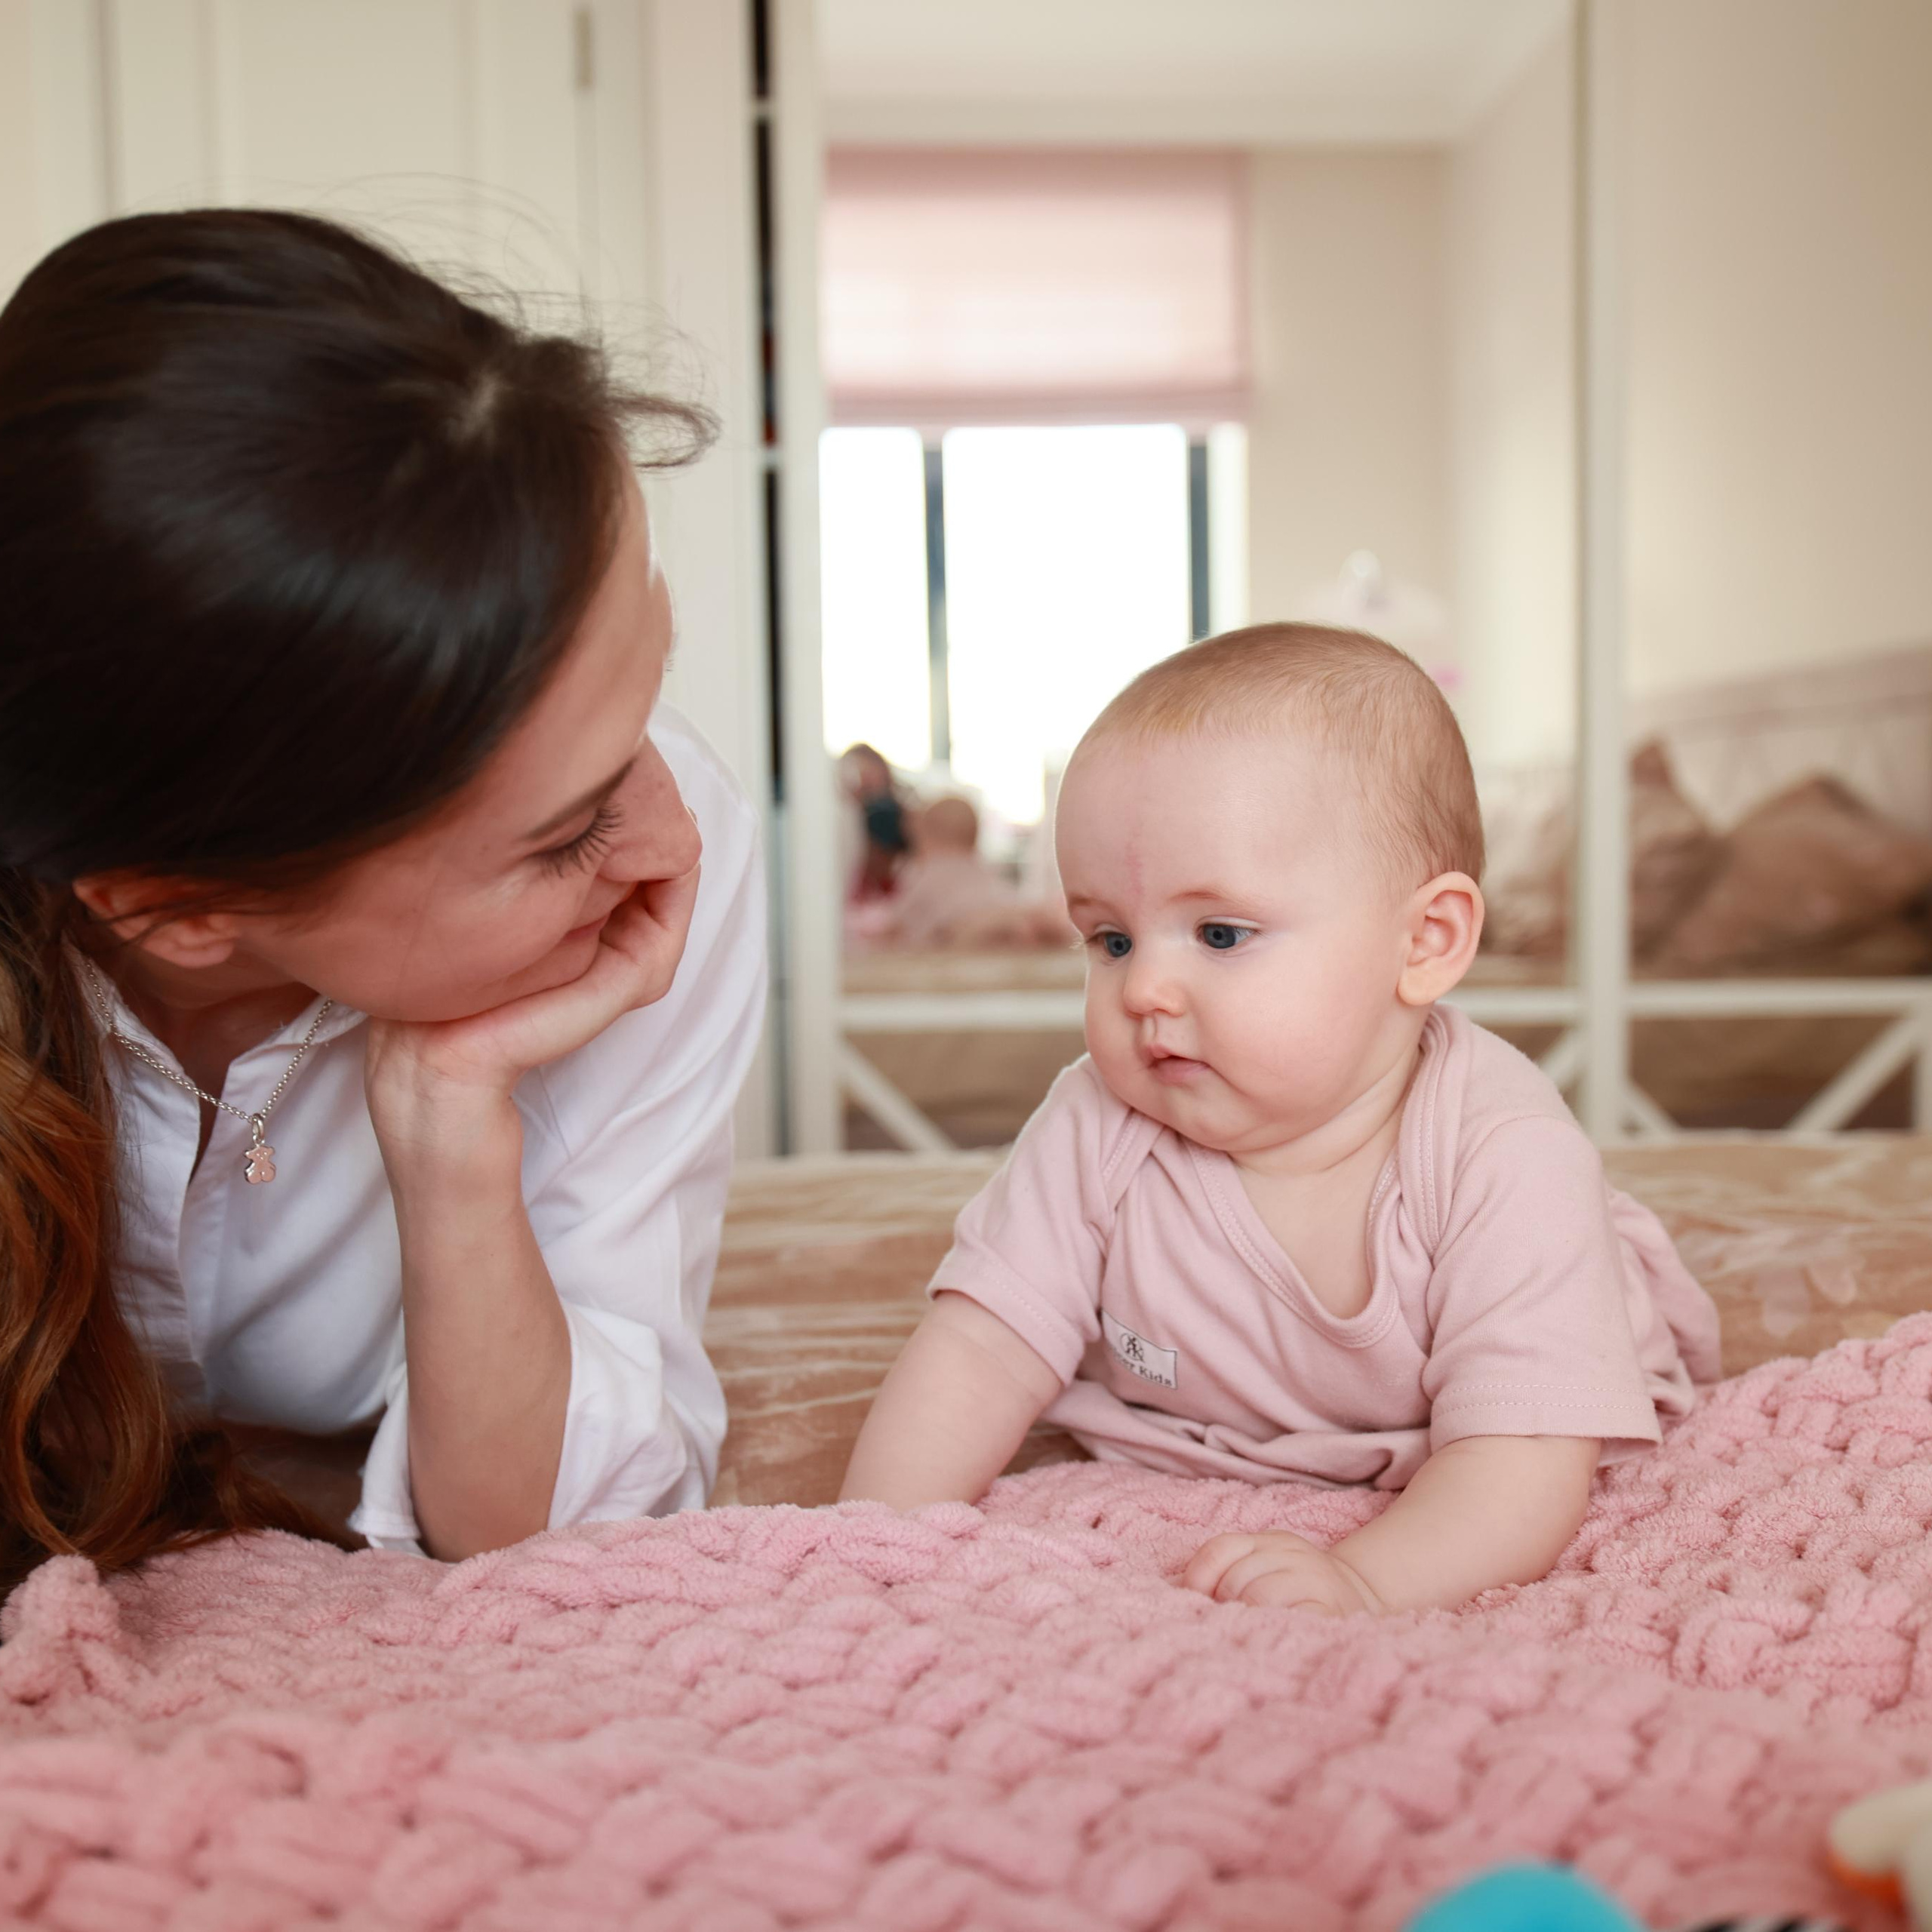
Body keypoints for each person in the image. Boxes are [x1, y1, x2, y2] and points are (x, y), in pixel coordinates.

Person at [0, 209, 766, 1586]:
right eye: (569, 832)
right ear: (177, 907)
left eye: (646, 702)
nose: (670, 841)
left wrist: (449, 1118)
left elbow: (544, 1532)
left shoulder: (677, 840)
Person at [841, 624, 1721, 1616]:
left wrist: (1360, 1579)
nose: (1144, 989)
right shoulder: (1101, 1119)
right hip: (1241, 1418)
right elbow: (983, 1346)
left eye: (1220, 933)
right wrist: (872, 1542)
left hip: (1529, 1387)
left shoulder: (1501, 1155)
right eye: (1112, 939)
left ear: (1425, 942)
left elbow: (1522, 1457)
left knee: (1535, 1381)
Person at [884, 795, 1073, 949]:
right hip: (994, 905)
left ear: (925, 836)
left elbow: (900, 921)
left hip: (958, 920)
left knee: (959, 932)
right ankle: (1023, 922)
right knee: (1005, 912)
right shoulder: (978, 866)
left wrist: (886, 933)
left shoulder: (926, 872)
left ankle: (1010, 926)